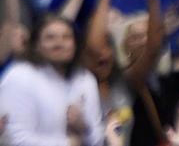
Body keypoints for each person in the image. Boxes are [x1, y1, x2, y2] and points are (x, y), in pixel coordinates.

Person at [0, 15, 104, 146]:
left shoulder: (85, 78)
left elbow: (98, 139)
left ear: (75, 44)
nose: (59, 43)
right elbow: (13, 140)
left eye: (66, 37)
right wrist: (67, 144)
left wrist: (83, 127)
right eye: (50, 38)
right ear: (36, 45)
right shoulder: (19, 76)